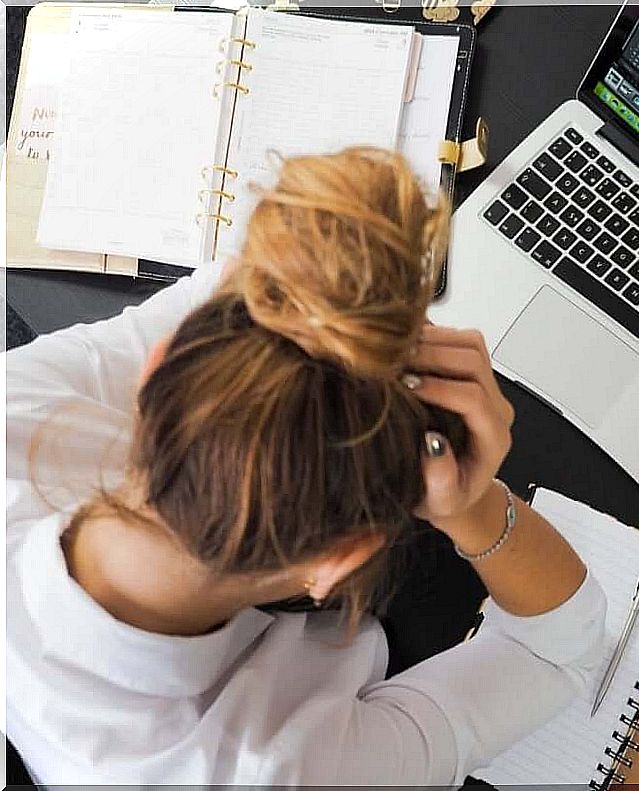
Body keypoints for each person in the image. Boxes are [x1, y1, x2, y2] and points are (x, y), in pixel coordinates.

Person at [5, 148, 607, 785]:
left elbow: (226, 286)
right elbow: (557, 652)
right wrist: (475, 506)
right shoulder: (288, 771)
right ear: (337, 563)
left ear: (154, 373)